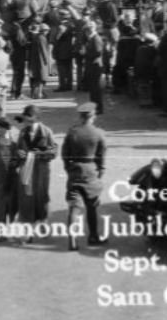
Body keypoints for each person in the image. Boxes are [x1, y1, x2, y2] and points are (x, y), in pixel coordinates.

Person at [62, 102, 106, 251]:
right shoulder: (99, 133)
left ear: (81, 116)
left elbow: (64, 154)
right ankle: (93, 236)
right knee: (92, 206)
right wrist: (100, 170)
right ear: (93, 116)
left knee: (74, 207)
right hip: (91, 171)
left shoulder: (72, 132)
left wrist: (69, 168)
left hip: (75, 171)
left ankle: (72, 241)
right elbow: (101, 156)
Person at [12, 105, 56, 238]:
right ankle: (27, 231)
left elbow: (54, 152)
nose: (25, 119)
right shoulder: (23, 132)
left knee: (42, 197)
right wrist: (18, 153)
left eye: (28, 116)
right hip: (26, 170)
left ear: (36, 118)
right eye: (25, 116)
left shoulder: (47, 132)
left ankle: (43, 223)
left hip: (41, 171)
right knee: (26, 198)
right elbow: (18, 149)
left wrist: (41, 153)